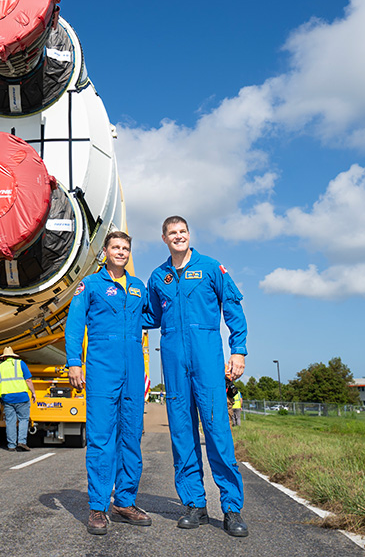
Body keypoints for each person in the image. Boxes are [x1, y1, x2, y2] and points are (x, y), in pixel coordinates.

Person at [145, 215, 250, 538]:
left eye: (183, 231)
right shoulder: (158, 276)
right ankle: (195, 505)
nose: (178, 236)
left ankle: (231, 509)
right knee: (182, 434)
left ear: (189, 235)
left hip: (207, 361)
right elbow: (150, 315)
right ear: (164, 238)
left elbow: (233, 307)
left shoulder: (211, 268)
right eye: (172, 233)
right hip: (174, 363)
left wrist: (238, 350)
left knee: (218, 433)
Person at [65, 230, 151, 535]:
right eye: (116, 247)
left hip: (133, 367)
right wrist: (74, 362)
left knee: (132, 435)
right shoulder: (90, 285)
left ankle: (124, 501)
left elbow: (152, 316)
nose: (121, 252)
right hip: (102, 367)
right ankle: (98, 506)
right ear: (105, 251)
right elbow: (75, 324)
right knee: (102, 437)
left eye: (125, 248)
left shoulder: (138, 287)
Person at [0, 347, 36, 452]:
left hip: (7, 398)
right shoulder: (20, 364)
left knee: (10, 422)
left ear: (4, 357)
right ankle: (22, 442)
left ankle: (11, 445)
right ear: (13, 356)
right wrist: (33, 392)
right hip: (22, 397)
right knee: (23, 419)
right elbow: (28, 380)